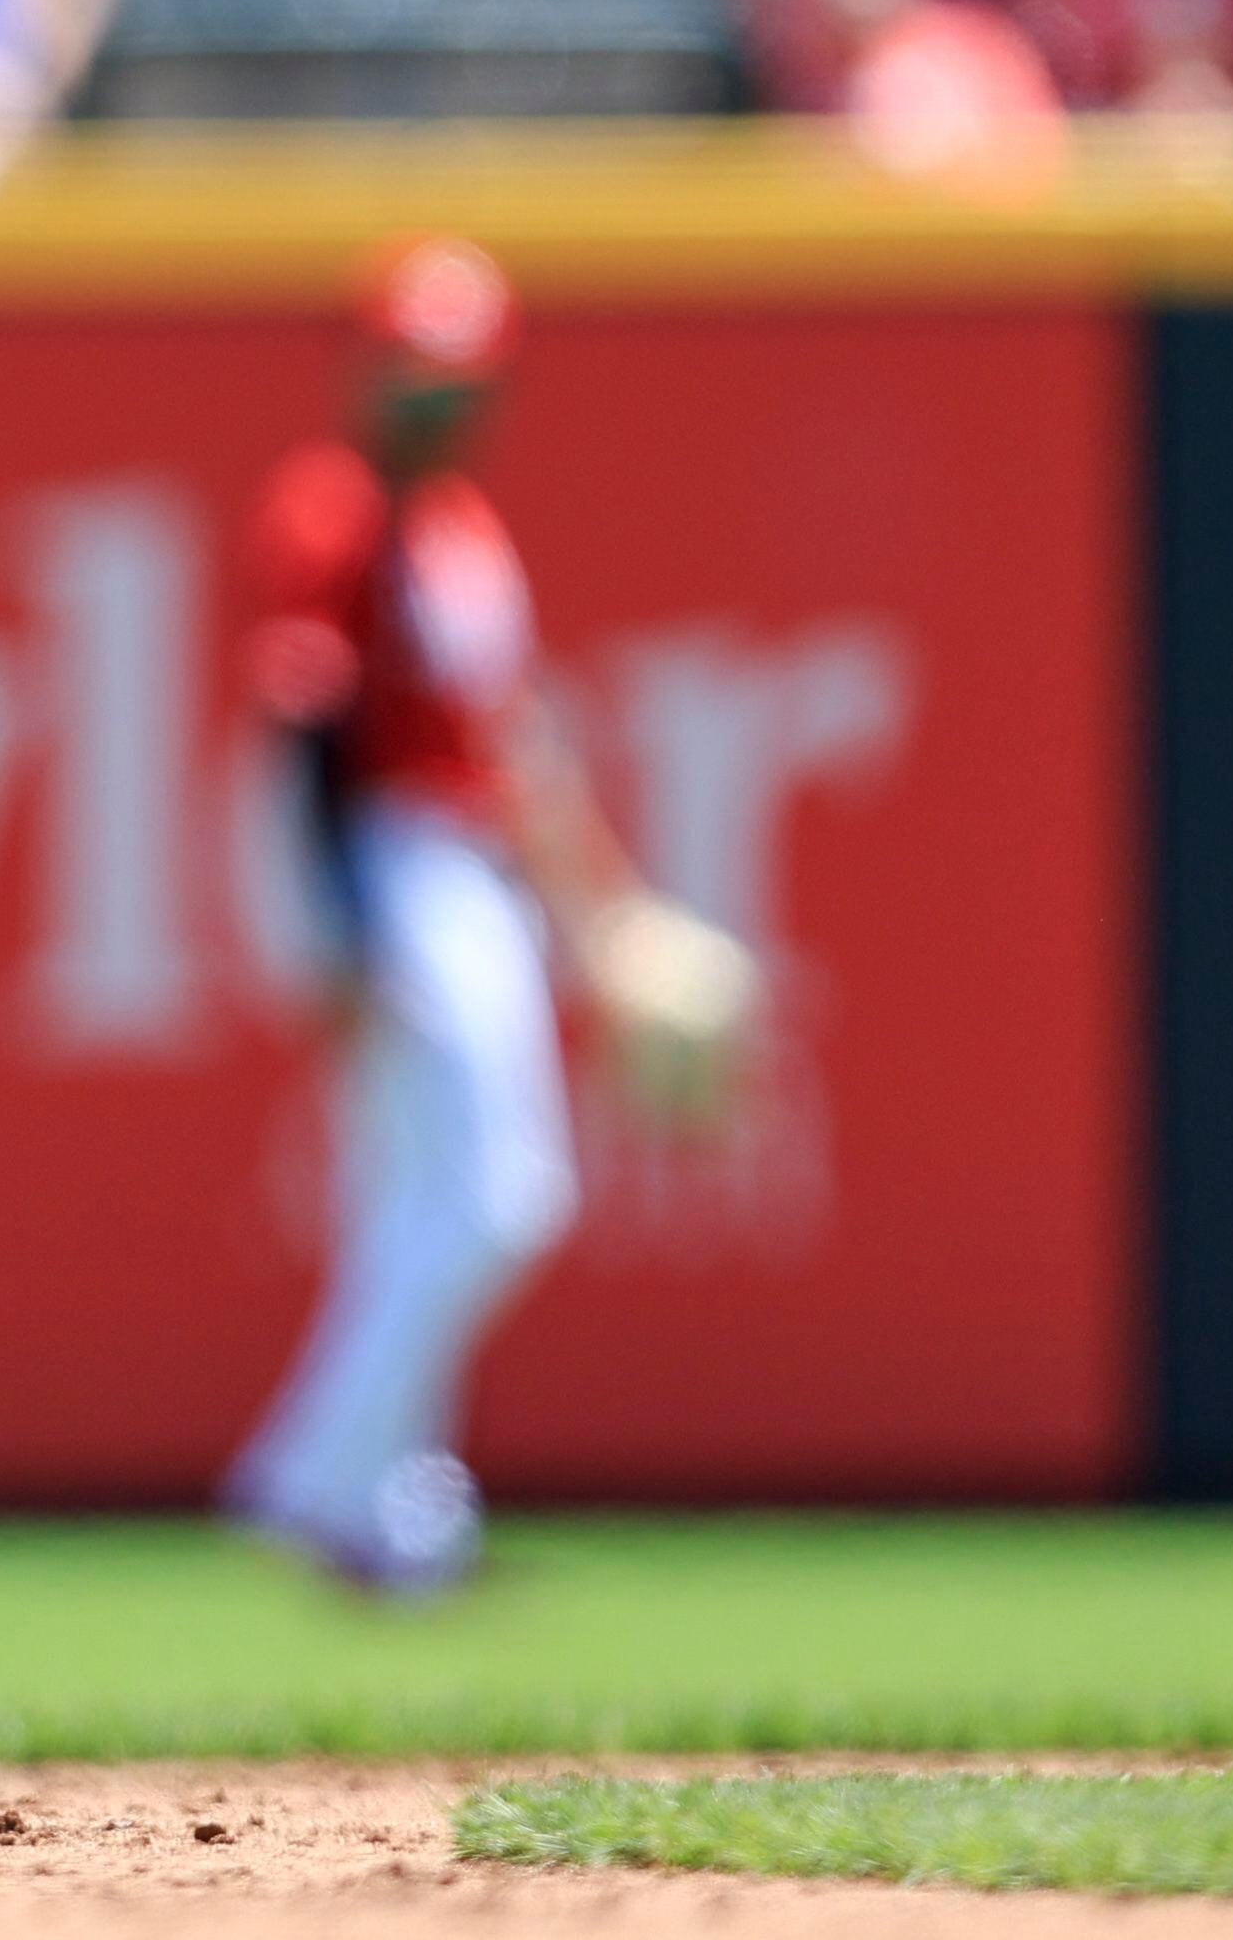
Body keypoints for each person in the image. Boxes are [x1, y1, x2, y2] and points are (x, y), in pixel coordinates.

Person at [222, 239, 754, 1596]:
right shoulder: (331, 509)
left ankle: (400, 1521)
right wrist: (331, 925)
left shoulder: (461, 530)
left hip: (461, 858)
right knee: (506, 1195)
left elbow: (516, 749)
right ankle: (308, 1473)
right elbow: (299, 730)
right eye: (414, 378)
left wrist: (605, 910)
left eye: (455, 382)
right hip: (386, 858)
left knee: (415, 1201)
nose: (435, 408)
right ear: (367, 371)